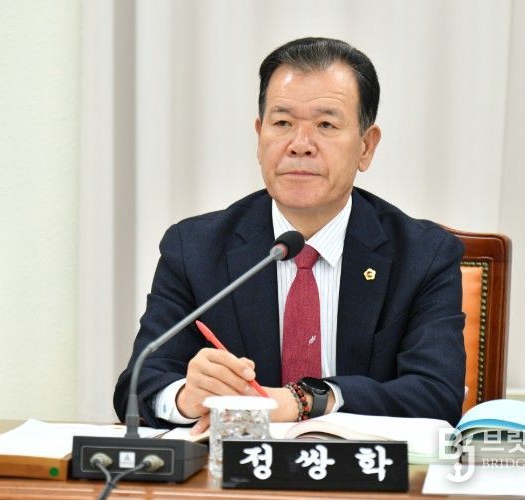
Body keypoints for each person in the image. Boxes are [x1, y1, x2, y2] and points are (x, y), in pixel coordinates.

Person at [114, 37, 465, 433]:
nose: (300, 145)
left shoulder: (423, 255)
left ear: (366, 146)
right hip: (237, 469)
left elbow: (437, 394)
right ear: (260, 136)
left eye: (326, 125)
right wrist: (185, 397)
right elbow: (139, 384)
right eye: (282, 123)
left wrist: (308, 400)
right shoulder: (195, 249)